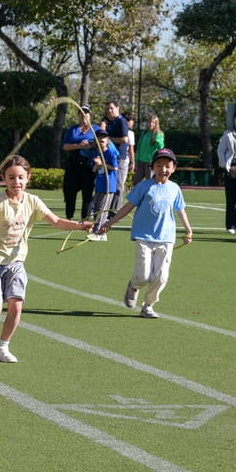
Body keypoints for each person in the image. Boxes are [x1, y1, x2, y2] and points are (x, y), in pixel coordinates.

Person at [0, 155, 92, 363]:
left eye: (21, 177)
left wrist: (80, 225)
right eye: (11, 177)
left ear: (28, 178)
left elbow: (57, 222)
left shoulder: (33, 201)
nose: (17, 182)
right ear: (3, 178)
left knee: (16, 305)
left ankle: (2, 346)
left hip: (16, 262)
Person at [97, 148, 193, 319]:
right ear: (153, 168)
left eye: (167, 166)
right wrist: (110, 222)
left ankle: (148, 305)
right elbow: (128, 206)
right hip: (144, 236)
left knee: (161, 277)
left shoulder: (175, 189)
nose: (163, 169)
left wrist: (188, 229)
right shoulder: (144, 186)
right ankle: (133, 286)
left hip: (166, 238)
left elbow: (180, 210)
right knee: (143, 275)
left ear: (173, 168)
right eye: (159, 165)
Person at [61, 105, 99, 220]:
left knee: (87, 193)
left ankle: (85, 219)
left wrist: (91, 145)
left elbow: (104, 143)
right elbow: (65, 146)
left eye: (86, 114)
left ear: (90, 116)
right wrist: (78, 145)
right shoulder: (73, 129)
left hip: (88, 165)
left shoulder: (96, 129)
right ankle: (69, 217)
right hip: (73, 163)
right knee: (69, 191)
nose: (84, 116)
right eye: (81, 114)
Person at [86, 131, 119, 241]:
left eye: (104, 137)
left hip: (108, 186)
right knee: (97, 207)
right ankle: (100, 232)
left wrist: (102, 163)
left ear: (107, 140)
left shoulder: (110, 153)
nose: (102, 139)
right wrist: (96, 164)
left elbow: (115, 167)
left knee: (102, 209)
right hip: (99, 184)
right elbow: (93, 169)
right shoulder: (96, 153)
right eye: (99, 137)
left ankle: (99, 232)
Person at [134, 114, 164, 185]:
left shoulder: (159, 134)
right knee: (136, 182)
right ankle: (139, 196)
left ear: (156, 124)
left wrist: (156, 137)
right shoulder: (144, 133)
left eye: (153, 122)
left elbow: (160, 147)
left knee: (150, 183)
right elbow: (139, 147)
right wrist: (136, 160)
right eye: (150, 122)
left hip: (150, 163)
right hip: (141, 161)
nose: (151, 124)